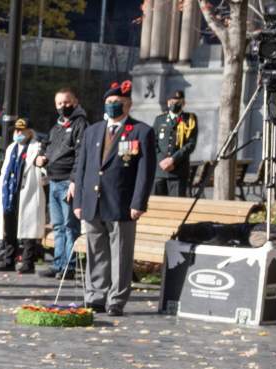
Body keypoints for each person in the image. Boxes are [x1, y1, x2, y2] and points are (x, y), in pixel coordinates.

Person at [72, 80, 156, 316]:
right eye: (109, 102)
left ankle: (116, 299)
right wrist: (78, 200)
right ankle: (95, 296)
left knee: (120, 253)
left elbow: (145, 172)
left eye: (117, 103)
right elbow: (82, 168)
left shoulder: (141, 131)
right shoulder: (93, 131)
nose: (112, 106)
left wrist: (139, 202)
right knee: (95, 250)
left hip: (121, 202)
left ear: (128, 105)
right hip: (93, 201)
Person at [35, 88, 87, 279]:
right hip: (54, 180)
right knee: (57, 225)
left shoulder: (80, 124)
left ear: (75, 101)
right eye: (59, 104)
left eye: (67, 102)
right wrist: (40, 158)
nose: (63, 106)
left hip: (67, 181)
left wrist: (74, 181)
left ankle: (69, 266)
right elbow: (46, 147)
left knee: (69, 226)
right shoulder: (56, 126)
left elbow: (81, 155)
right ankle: (58, 263)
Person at [0, 118, 46, 274]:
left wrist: (41, 164)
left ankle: (28, 262)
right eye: (16, 130)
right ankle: (9, 259)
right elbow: (4, 171)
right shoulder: (11, 148)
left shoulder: (37, 148)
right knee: (9, 227)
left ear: (30, 132)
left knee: (28, 228)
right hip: (9, 192)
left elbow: (44, 170)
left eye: (21, 131)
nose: (18, 133)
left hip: (28, 191)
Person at [151, 89, 198, 197]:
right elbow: (153, 142)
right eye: (172, 102)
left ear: (183, 103)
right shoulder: (160, 120)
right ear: (168, 103)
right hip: (160, 171)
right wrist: (163, 161)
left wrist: (173, 160)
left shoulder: (190, 119)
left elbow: (191, 144)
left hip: (178, 171)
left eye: (177, 103)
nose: (174, 105)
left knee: (177, 207)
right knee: (157, 206)